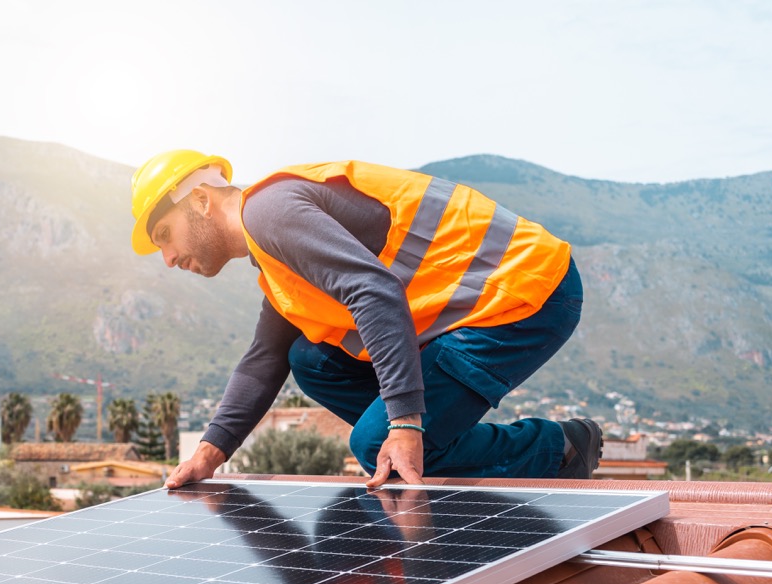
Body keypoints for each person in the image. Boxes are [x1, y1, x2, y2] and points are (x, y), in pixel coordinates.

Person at [129, 150, 602, 489]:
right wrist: (210, 453)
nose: (168, 257)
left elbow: (373, 291)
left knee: (381, 439)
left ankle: (558, 447)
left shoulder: (268, 213)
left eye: (165, 235)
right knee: (308, 358)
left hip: (523, 292)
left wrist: (404, 424)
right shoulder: (272, 254)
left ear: (200, 201)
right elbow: (264, 359)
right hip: (474, 309)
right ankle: (425, 444)